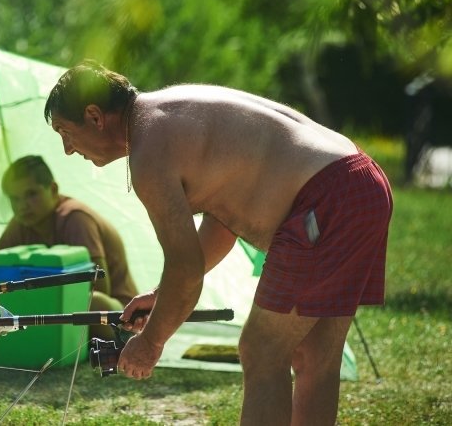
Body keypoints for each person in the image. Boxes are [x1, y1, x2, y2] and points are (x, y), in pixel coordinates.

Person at [44, 61, 392, 426]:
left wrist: (150, 343)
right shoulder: (167, 111)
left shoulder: (149, 149)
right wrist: (162, 293)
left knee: (261, 351)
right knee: (316, 353)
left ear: (95, 116)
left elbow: (186, 267)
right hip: (362, 183)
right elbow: (223, 223)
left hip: (327, 197)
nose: (68, 149)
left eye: (65, 132)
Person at [0, 155, 138, 346]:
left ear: (53, 189)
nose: (22, 206)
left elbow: (99, 289)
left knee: (94, 306)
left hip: (107, 315)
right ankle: (26, 342)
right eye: (14, 199)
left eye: (31, 195)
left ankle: (19, 342)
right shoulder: (19, 224)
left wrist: (43, 305)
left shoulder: (75, 219)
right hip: (35, 313)